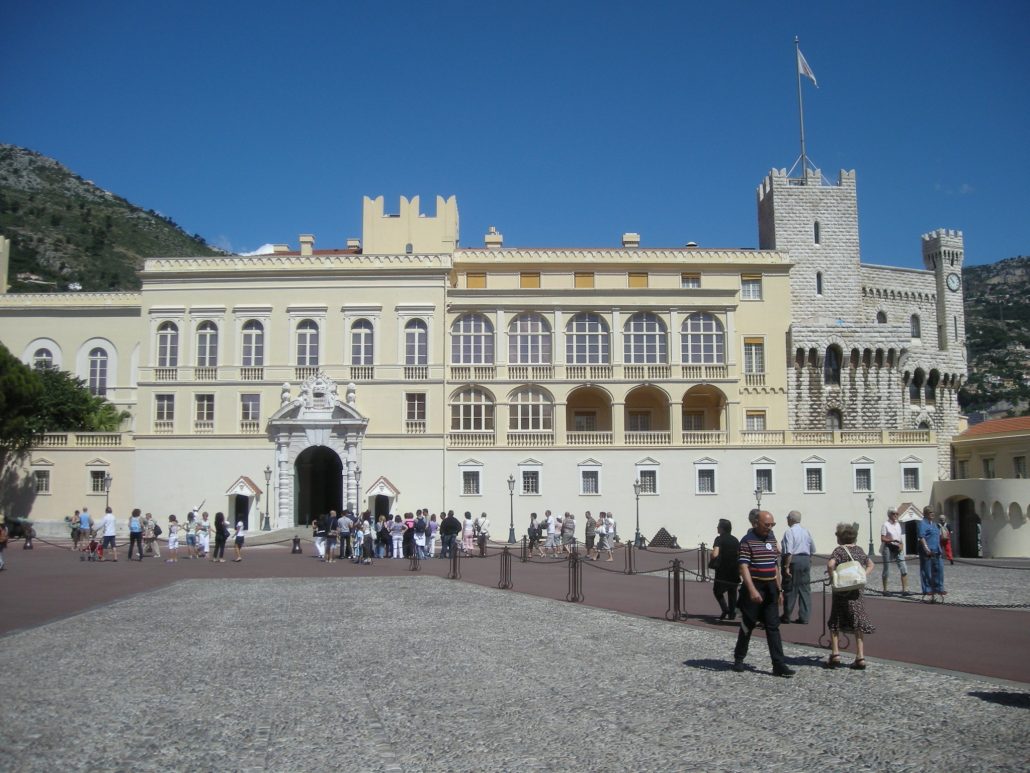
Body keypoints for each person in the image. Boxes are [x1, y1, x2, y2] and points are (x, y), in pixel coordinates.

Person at [732, 510, 794, 678]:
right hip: (755, 585)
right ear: (756, 523)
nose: (770, 527)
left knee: (773, 626)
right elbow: (743, 566)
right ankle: (739, 658)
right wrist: (751, 589)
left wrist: (779, 589)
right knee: (748, 624)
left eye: (772, 524)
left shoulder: (771, 539)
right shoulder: (747, 541)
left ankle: (778, 664)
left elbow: (775, 565)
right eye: (767, 524)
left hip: (770, 587)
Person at [825, 522, 876, 670]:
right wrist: (862, 576)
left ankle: (835, 654)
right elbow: (871, 564)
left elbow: (830, 565)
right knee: (857, 620)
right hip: (856, 591)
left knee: (836, 619)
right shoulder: (859, 550)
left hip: (841, 590)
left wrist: (832, 577)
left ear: (840, 537)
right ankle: (860, 656)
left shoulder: (839, 551)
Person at [780, 510, 815, 624]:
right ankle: (804, 616)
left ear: (790, 519)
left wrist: (786, 566)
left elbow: (789, 551)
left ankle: (787, 615)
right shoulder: (806, 531)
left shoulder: (789, 532)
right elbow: (812, 549)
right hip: (805, 559)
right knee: (805, 589)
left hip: (794, 560)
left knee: (791, 588)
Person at [710, 518, 740, 621]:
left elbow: (715, 554)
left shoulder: (719, 539)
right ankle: (732, 614)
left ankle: (725, 609)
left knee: (717, 591)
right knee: (733, 592)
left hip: (723, 569)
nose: (717, 528)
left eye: (718, 526)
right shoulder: (735, 540)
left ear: (722, 529)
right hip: (734, 569)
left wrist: (711, 555)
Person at [917, 506, 945, 601]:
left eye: (933, 512)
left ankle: (939, 588)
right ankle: (927, 589)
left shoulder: (934, 524)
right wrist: (926, 549)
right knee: (926, 571)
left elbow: (938, 536)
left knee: (939, 569)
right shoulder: (922, 524)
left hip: (937, 550)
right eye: (930, 512)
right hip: (928, 552)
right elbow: (921, 537)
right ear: (925, 514)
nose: (932, 514)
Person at [879, 507, 909, 595]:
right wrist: (891, 540)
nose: (895, 515)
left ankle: (905, 589)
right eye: (893, 513)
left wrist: (901, 545)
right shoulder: (885, 525)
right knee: (887, 568)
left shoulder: (898, 524)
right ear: (889, 515)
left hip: (898, 548)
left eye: (897, 514)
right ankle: (885, 590)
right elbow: (882, 538)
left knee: (903, 567)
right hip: (888, 547)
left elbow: (900, 537)